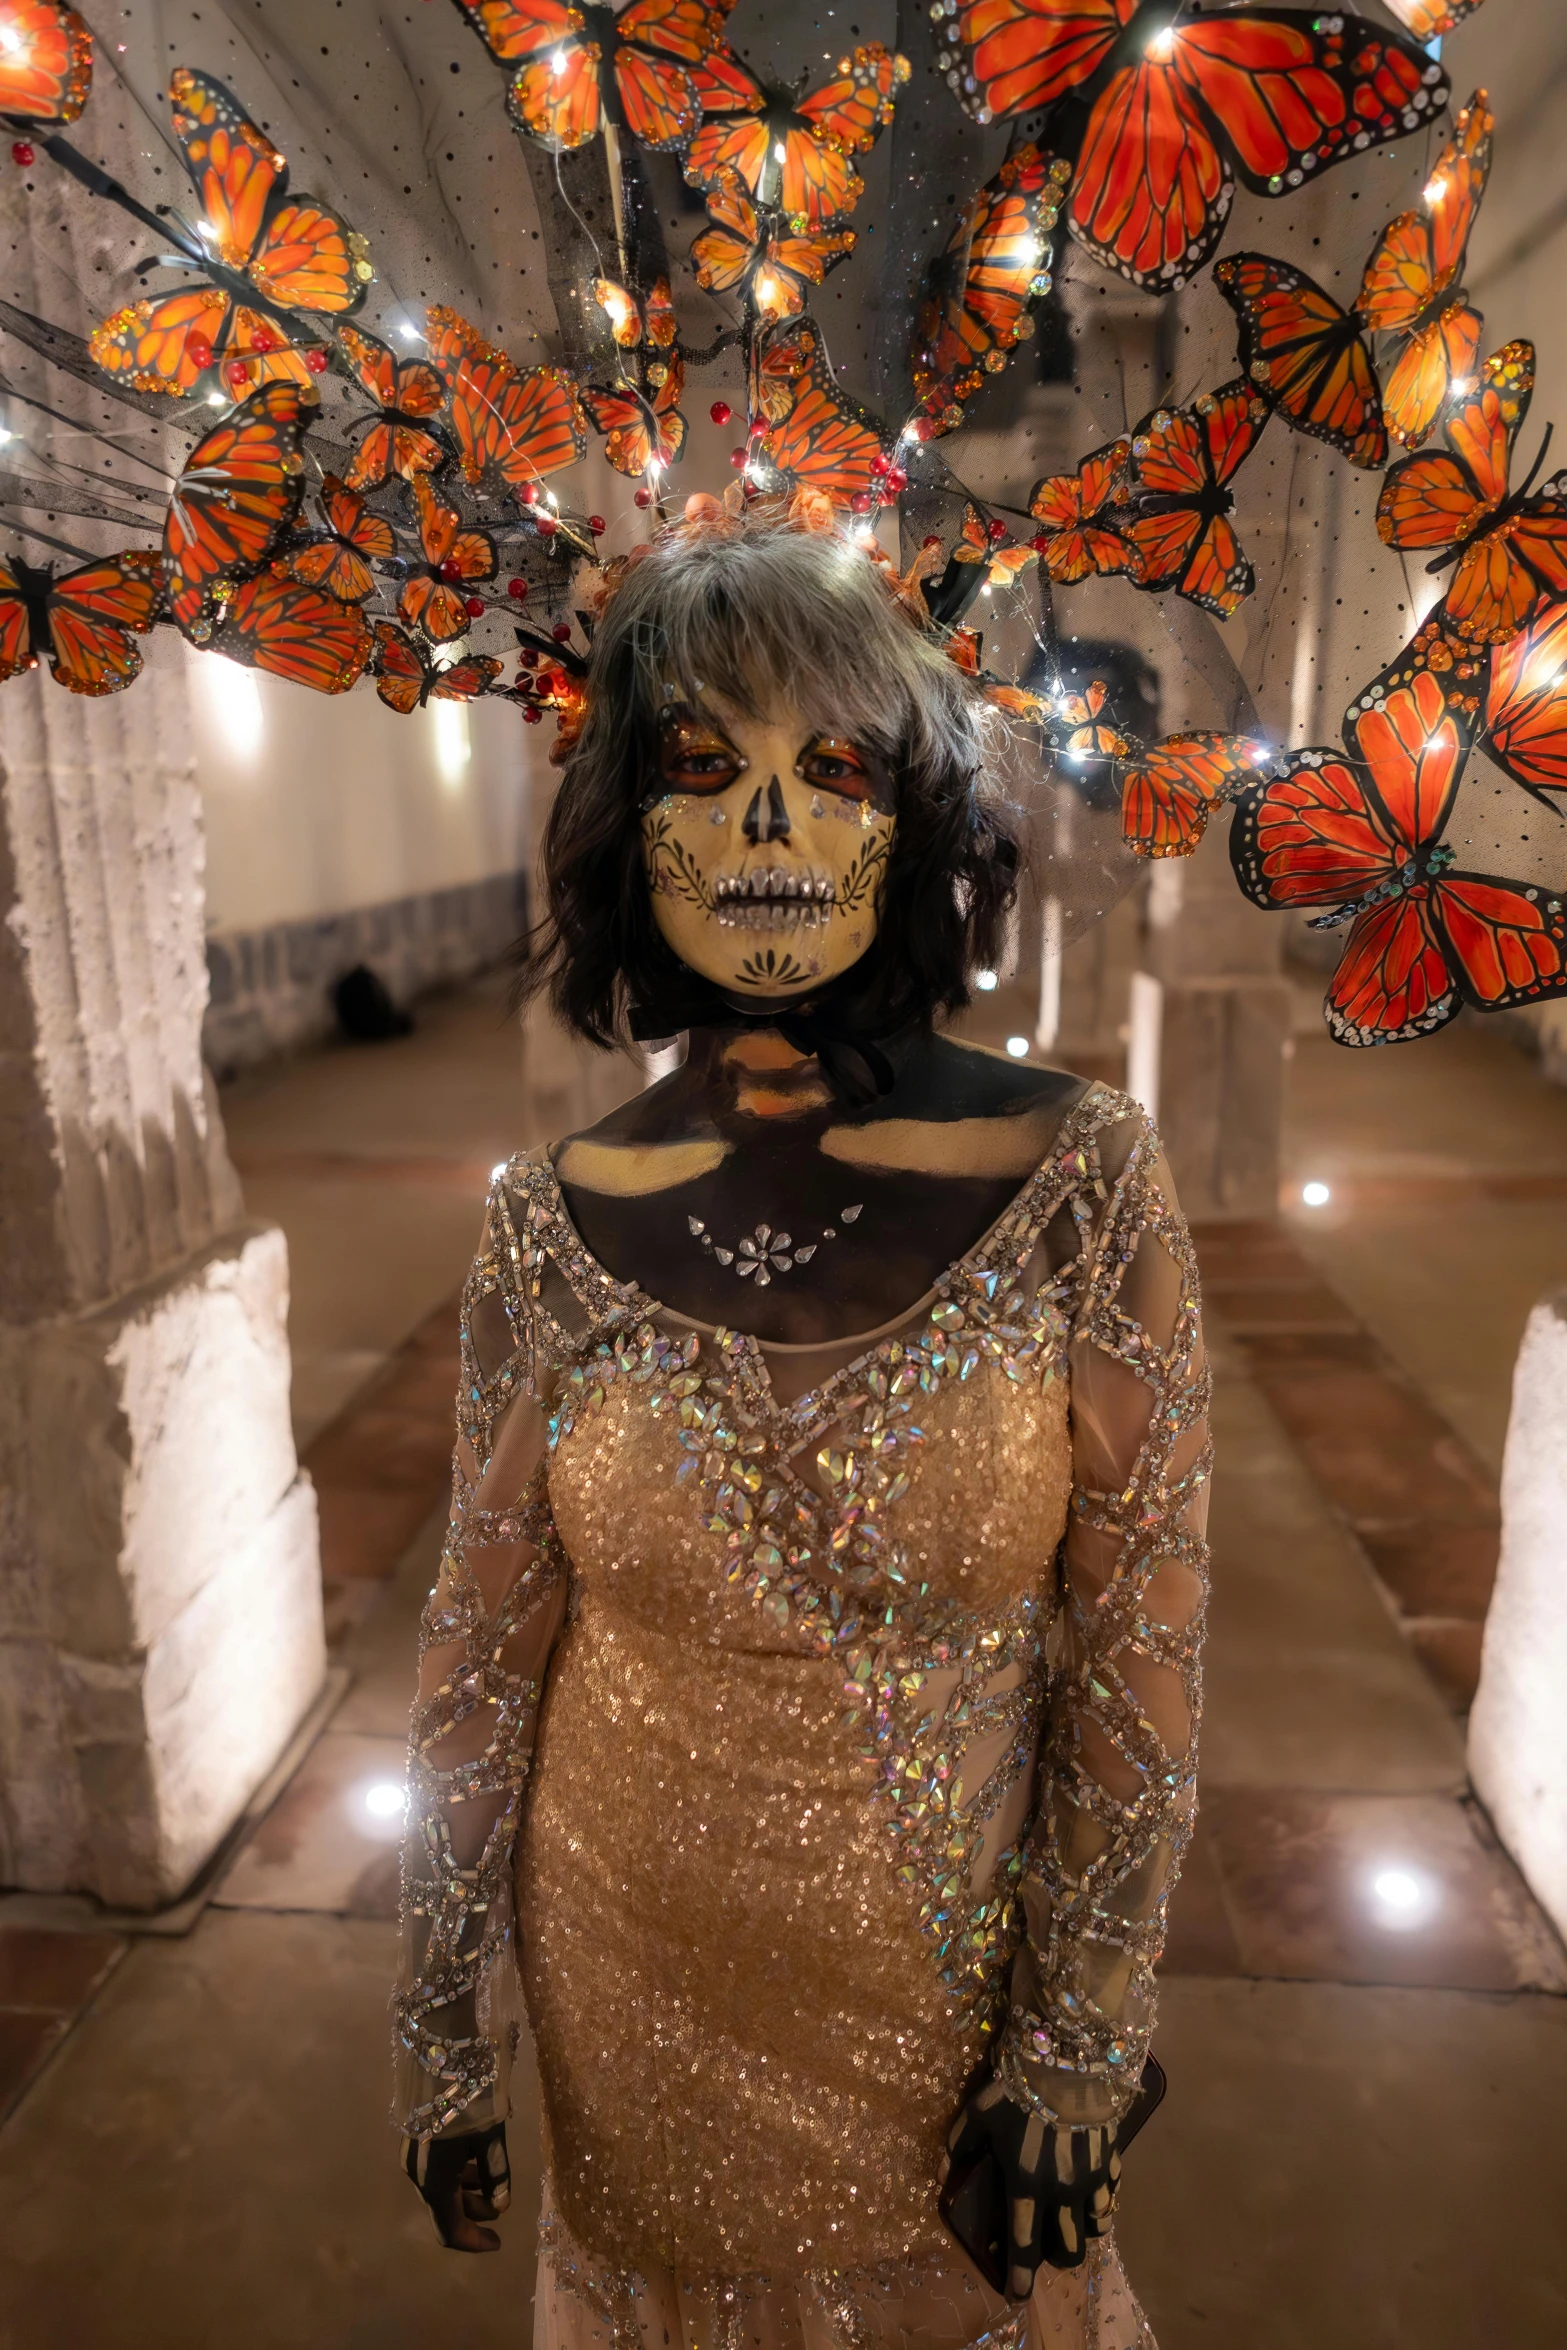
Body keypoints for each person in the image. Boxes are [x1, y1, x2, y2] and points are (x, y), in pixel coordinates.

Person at [392, 507, 1210, 2350]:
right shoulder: (550, 1210)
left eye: (831, 770)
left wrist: (1080, 2039)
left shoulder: (1080, 1176)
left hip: (948, 1994)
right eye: (705, 767)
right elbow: (480, 1653)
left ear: (916, 815)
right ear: (626, 823)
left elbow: (1143, 1647)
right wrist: (443, 2016)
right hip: (633, 1981)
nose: (767, 832)